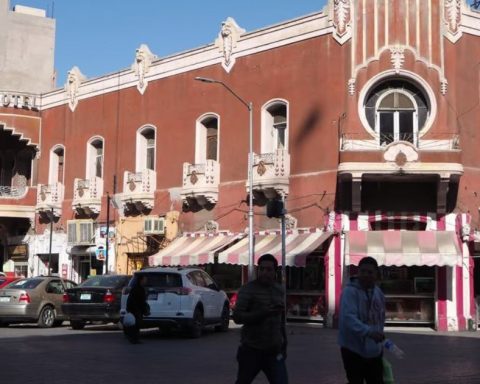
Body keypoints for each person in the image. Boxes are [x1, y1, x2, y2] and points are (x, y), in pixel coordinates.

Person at [233, 253, 288, 384]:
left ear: (275, 271)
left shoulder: (279, 290)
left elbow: (280, 319)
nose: (264, 272)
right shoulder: (248, 290)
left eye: (269, 270)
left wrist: (284, 342)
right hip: (251, 350)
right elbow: (237, 317)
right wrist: (261, 314)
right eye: (261, 269)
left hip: (274, 351)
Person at [338, 256, 386, 384]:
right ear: (358, 272)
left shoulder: (378, 293)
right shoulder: (349, 292)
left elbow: (380, 317)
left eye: (370, 272)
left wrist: (379, 339)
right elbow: (348, 319)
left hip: (374, 351)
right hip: (353, 349)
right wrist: (369, 332)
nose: (365, 275)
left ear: (376, 274)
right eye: (362, 271)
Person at [124, 274, 149, 344]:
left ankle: (135, 338)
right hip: (135, 309)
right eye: (145, 279)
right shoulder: (137, 289)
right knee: (135, 324)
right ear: (141, 280)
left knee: (137, 324)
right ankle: (133, 338)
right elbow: (135, 300)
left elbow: (142, 301)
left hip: (137, 309)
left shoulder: (139, 288)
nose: (146, 281)